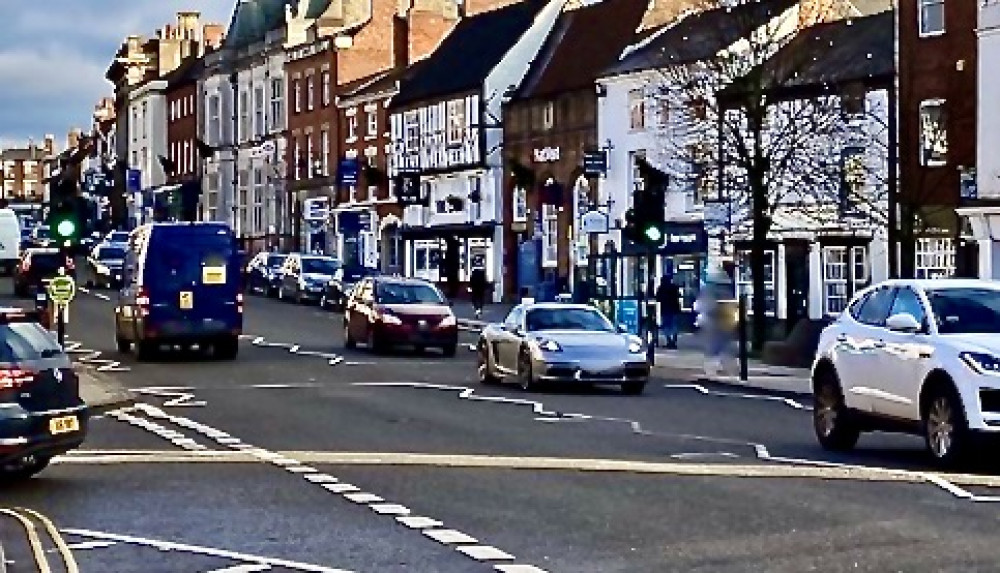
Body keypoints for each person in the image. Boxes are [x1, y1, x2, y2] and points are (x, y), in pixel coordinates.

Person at [656, 275, 682, 349]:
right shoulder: (674, 287)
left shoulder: (661, 288)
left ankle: (669, 341)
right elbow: (678, 295)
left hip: (665, 309)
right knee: (674, 326)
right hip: (674, 309)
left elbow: (658, 298)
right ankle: (674, 341)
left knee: (666, 326)